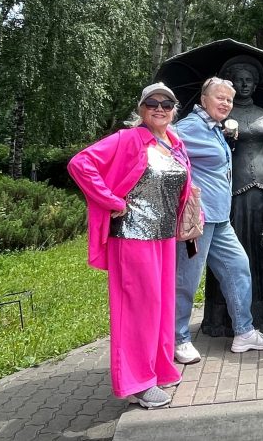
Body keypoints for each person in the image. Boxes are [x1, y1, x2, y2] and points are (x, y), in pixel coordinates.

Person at [68, 83, 193, 409]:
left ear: (174, 110)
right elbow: (80, 164)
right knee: (138, 311)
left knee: (162, 307)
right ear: (141, 108)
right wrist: (110, 200)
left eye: (167, 103)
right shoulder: (128, 138)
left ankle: (159, 367)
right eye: (152, 103)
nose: (160, 108)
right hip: (133, 237)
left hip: (164, 237)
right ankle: (137, 383)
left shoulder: (174, 143)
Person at [173, 77, 263, 365]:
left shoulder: (214, 128)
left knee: (238, 268)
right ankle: (178, 338)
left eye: (229, 100)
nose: (225, 103)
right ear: (203, 99)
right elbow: (163, 145)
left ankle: (243, 332)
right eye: (219, 97)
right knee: (187, 279)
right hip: (198, 220)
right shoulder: (189, 128)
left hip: (220, 220)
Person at [200, 57, 263, 335]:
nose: (245, 84)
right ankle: (221, 317)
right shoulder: (218, 117)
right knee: (230, 250)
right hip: (229, 187)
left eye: (249, 79)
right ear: (230, 84)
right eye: (239, 79)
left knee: (262, 248)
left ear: (256, 83)